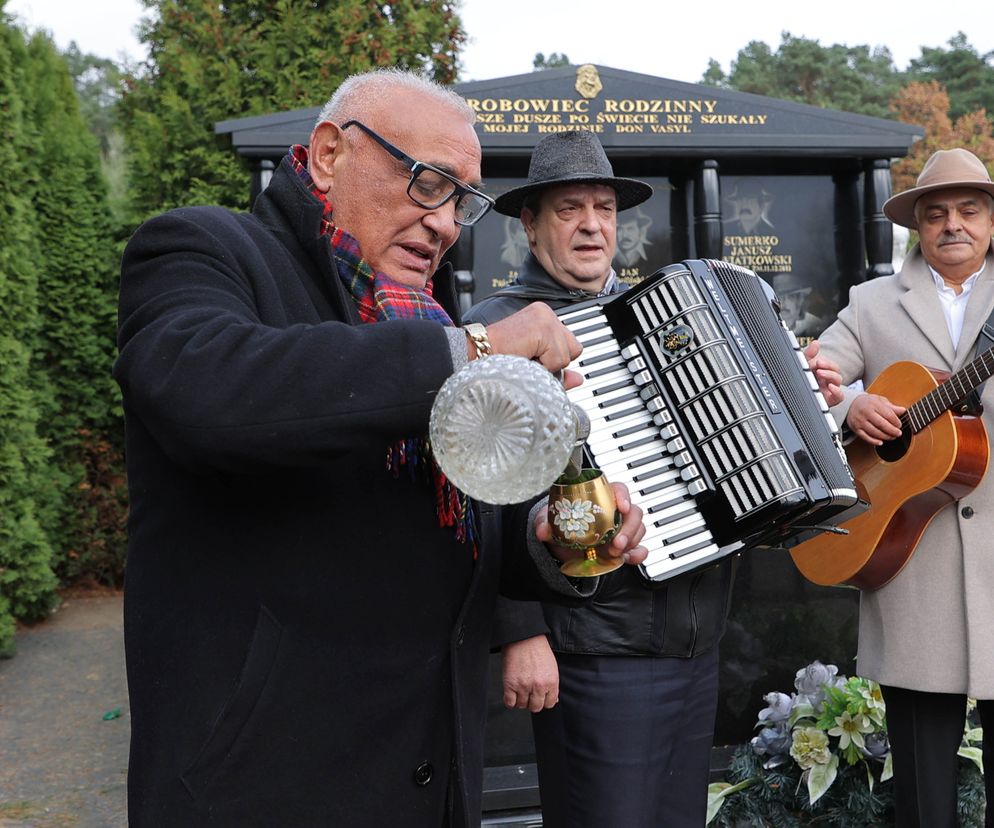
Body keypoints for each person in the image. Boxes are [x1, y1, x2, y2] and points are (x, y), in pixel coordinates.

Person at [113, 69, 650, 828]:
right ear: (330, 153)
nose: (446, 223)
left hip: (428, 778)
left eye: (463, 201)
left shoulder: (427, 316)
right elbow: (207, 394)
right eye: (429, 183)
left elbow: (448, 532)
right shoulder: (202, 247)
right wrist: (473, 351)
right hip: (267, 785)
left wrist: (546, 543)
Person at [464, 129, 844, 827]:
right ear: (530, 224)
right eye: (570, 208)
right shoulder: (496, 329)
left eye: (604, 208)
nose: (591, 225)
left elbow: (725, 444)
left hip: (695, 641)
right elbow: (480, 501)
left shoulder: (658, 313)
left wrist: (804, 406)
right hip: (592, 649)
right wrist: (519, 631)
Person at [816, 147, 994, 827]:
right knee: (922, 795)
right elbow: (808, 379)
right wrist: (850, 406)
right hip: (910, 563)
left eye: (969, 210)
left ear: (990, 221)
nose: (953, 224)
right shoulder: (870, 304)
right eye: (937, 212)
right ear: (919, 225)